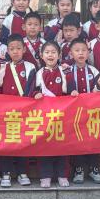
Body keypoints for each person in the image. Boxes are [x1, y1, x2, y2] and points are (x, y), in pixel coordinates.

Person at [0, 34, 36, 187]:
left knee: (22, 142)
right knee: (6, 141)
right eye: (12, 49)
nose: (15, 51)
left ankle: (22, 172)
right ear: (7, 51)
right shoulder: (3, 66)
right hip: (6, 112)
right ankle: (5, 172)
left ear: (24, 49)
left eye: (18, 48)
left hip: (24, 111)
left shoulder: (30, 67)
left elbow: (32, 87)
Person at [64, 37, 100, 184]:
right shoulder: (67, 70)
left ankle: (94, 169)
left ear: (88, 53)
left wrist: (99, 86)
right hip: (74, 114)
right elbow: (63, 90)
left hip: (91, 113)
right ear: (71, 53)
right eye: (77, 50)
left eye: (83, 50)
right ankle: (78, 169)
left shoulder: (94, 70)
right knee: (77, 141)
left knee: (93, 140)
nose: (80, 53)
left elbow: (99, 90)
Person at [34, 41, 70, 188]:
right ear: (42, 56)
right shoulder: (38, 73)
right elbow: (32, 90)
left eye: (53, 52)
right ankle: (45, 175)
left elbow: (71, 89)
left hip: (62, 115)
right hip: (45, 116)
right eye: (47, 52)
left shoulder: (64, 71)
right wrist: (35, 94)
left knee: (62, 146)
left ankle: (62, 175)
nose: (50, 55)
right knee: (45, 146)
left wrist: (73, 91)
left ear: (59, 55)